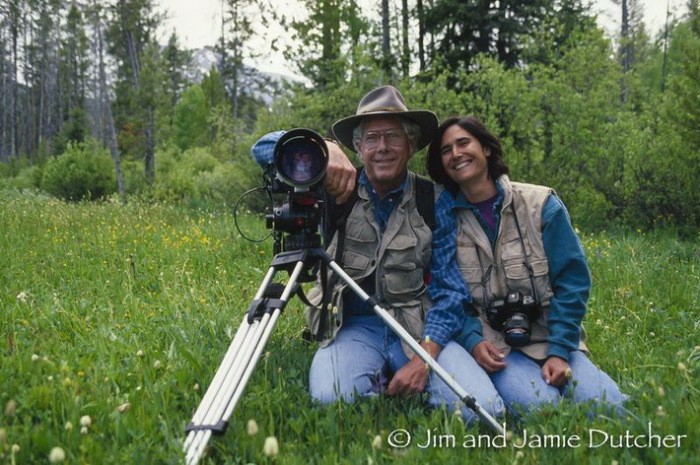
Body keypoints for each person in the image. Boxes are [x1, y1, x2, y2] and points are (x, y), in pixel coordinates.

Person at [253, 87, 504, 423]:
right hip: (353, 326)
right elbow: (262, 149)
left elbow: (450, 290)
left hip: (417, 327)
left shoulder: (434, 198)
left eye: (393, 137)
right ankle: (376, 376)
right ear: (358, 147)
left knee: (484, 410)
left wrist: (424, 359)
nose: (382, 148)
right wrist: (322, 147)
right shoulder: (332, 184)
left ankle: (398, 376)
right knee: (332, 402)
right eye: (371, 138)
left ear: (411, 145)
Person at [425, 115, 627, 413]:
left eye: (464, 143)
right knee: (542, 410)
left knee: (610, 407)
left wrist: (559, 351)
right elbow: (450, 293)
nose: (456, 154)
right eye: (446, 150)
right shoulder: (444, 219)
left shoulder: (541, 204)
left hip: (550, 336)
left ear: (487, 149)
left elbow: (573, 282)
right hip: (497, 346)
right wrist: (473, 342)